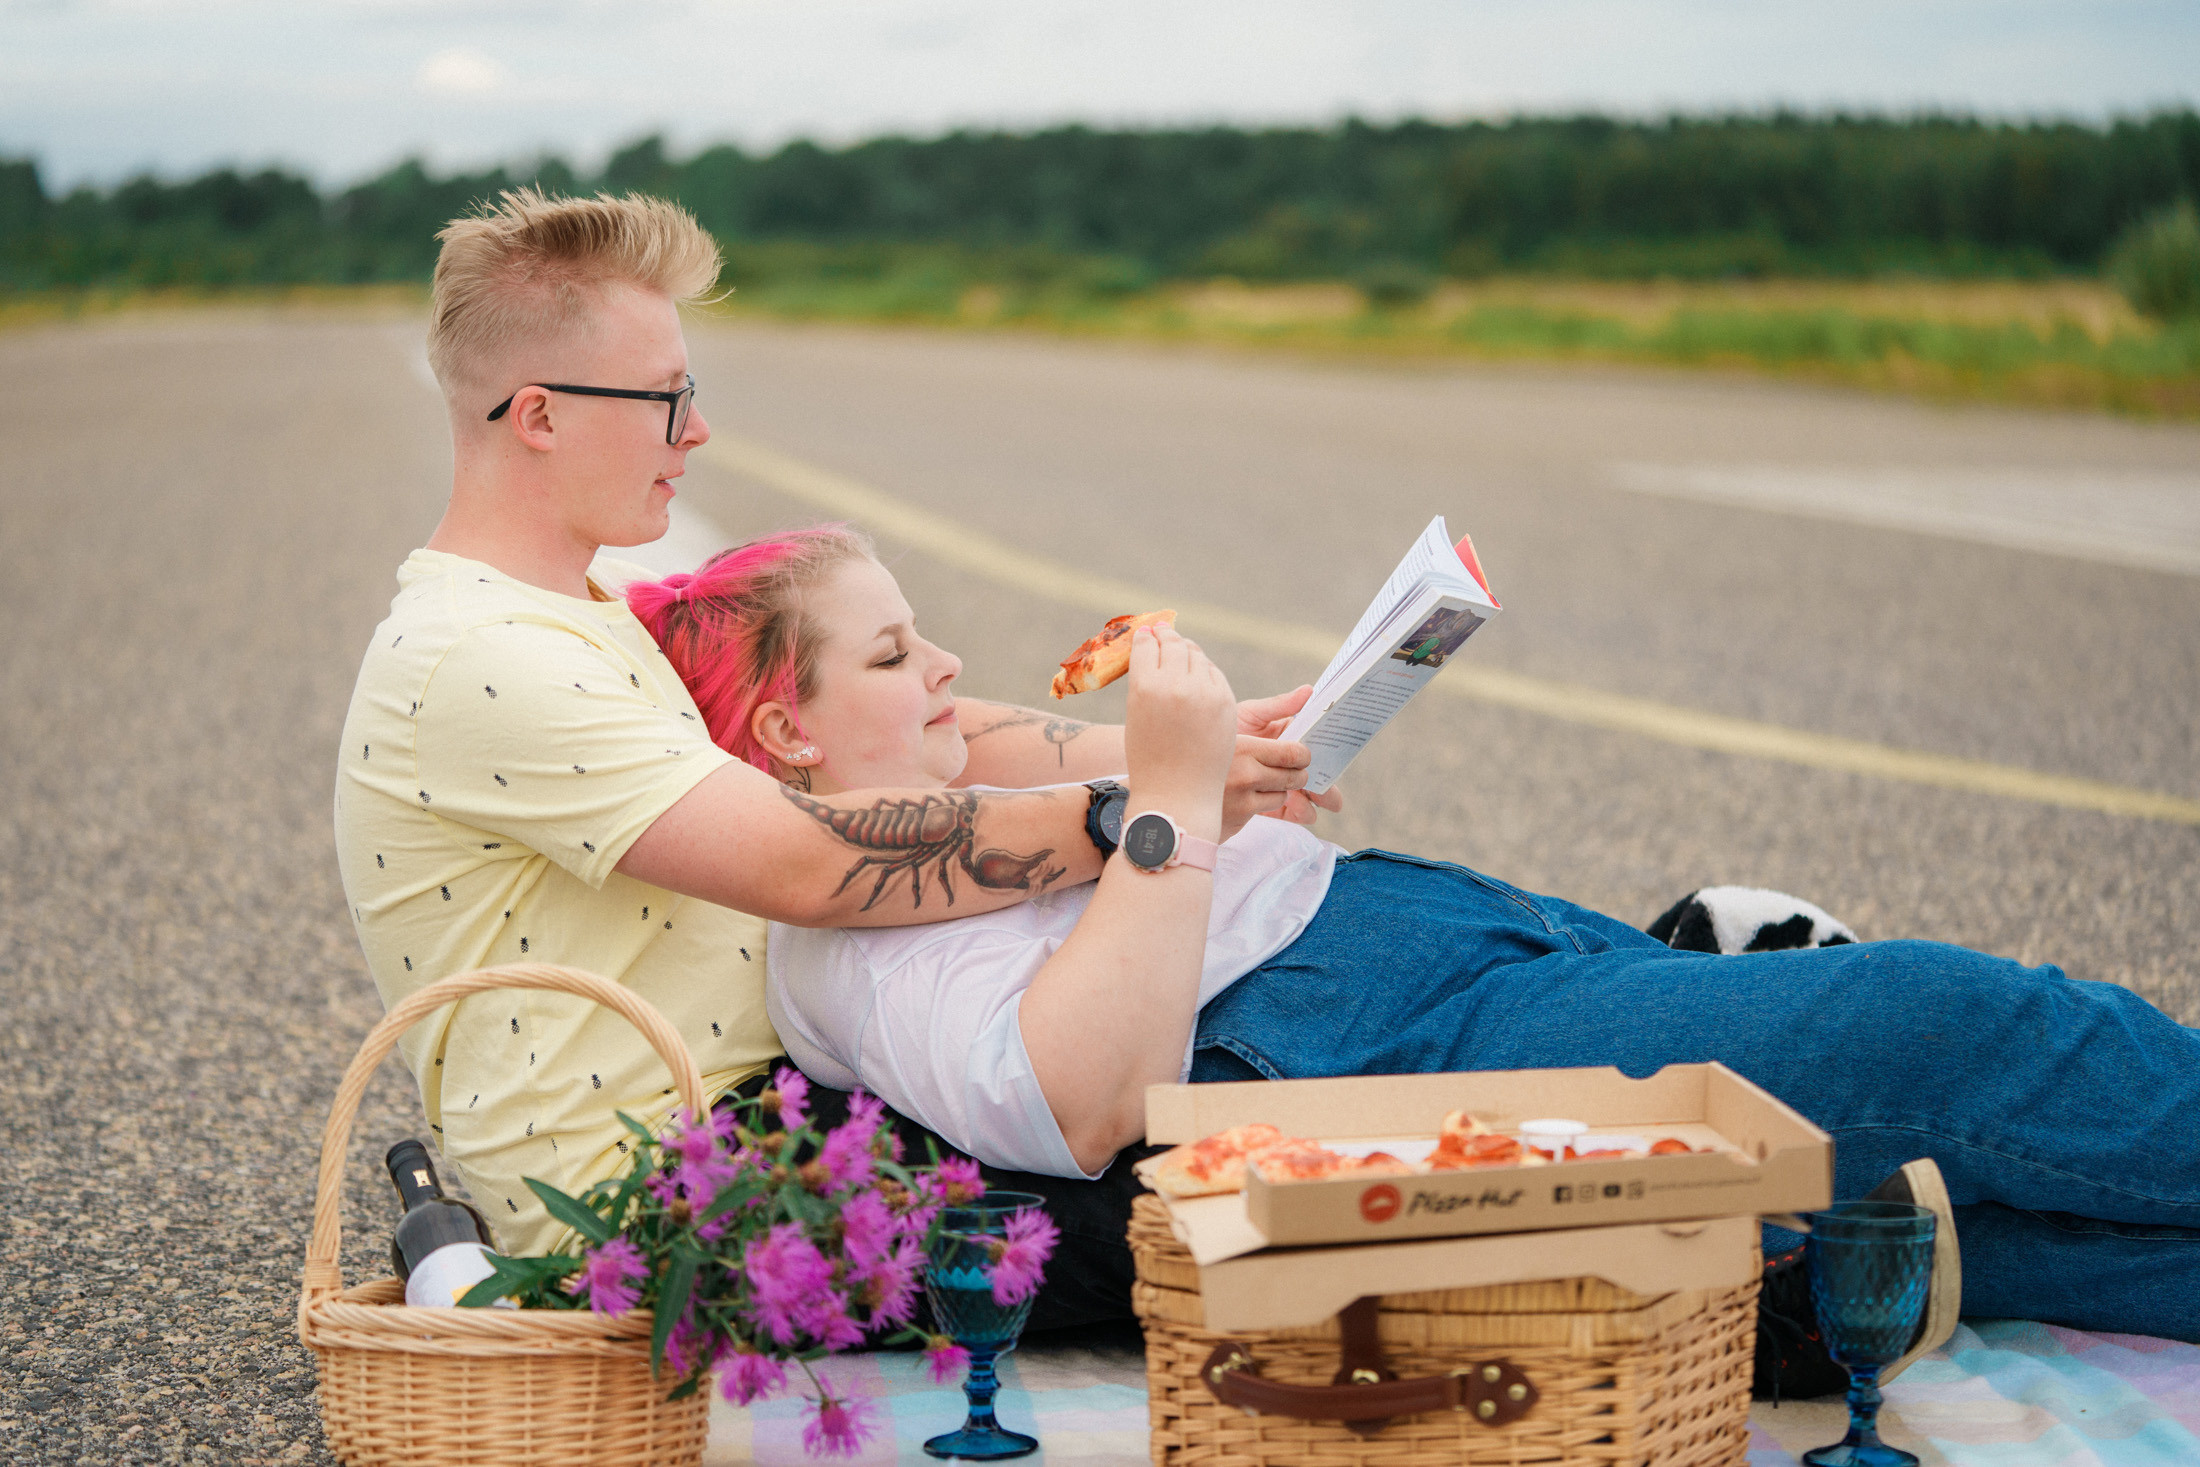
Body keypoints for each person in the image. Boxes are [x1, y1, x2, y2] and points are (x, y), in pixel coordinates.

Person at [626, 524, 2200, 1374]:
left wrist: (1233, 748)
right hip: (1361, 1043)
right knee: (1949, 1027)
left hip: (1413, 939)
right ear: (787, 731)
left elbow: (1043, 754)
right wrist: (1165, 798)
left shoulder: (932, 782)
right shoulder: (836, 947)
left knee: (1922, 1214)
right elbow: (1081, 1104)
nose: (945, 663)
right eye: (894, 652)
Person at [333, 189, 1329, 1260]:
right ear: (538, 417)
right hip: (684, 1195)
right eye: (665, 398)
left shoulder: (581, 606)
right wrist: (1143, 810)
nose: (696, 429)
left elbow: (913, 720)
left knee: (1238, 1028)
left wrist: (1182, 752)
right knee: (1268, 1124)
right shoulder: (478, 656)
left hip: (790, 1107)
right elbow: (811, 861)